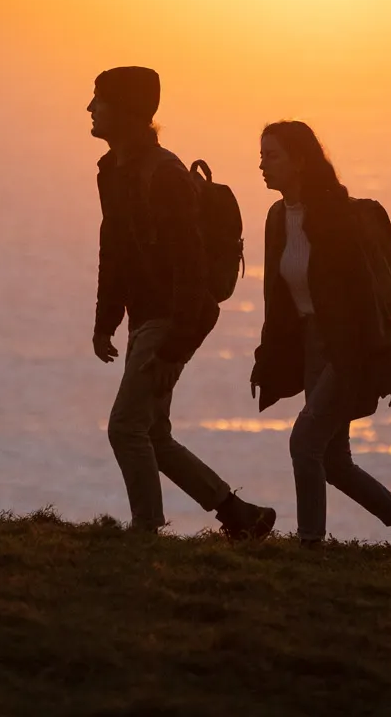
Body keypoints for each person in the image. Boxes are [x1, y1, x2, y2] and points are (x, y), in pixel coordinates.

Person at [88, 66, 275, 538]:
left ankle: (146, 529)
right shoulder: (113, 171)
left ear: (126, 112)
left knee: (125, 428)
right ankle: (240, 515)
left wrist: (175, 344)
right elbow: (114, 247)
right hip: (147, 317)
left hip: (171, 319)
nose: (90, 109)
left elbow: (191, 272)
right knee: (152, 433)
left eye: (99, 100)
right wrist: (106, 319)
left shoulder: (165, 177)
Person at [251, 119, 391, 564]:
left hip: (346, 346)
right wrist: (268, 354)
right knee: (334, 459)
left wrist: (378, 359)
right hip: (311, 344)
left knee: (304, 443)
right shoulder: (277, 218)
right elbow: (276, 299)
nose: (262, 165)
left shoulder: (335, 216)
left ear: (300, 161)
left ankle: (309, 546)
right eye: (261, 156)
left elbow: (361, 298)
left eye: (272, 156)